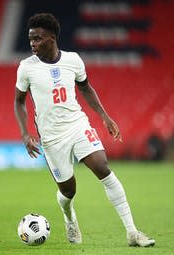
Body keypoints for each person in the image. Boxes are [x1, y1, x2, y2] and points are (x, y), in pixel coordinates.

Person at [14, 13, 155, 247]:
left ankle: (132, 232)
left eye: (37, 38)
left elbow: (86, 88)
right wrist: (24, 132)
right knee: (69, 191)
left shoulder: (73, 60)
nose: (32, 43)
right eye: (30, 39)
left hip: (77, 125)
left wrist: (104, 117)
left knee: (102, 167)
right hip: (51, 138)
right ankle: (69, 216)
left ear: (51, 38)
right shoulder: (26, 68)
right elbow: (19, 101)